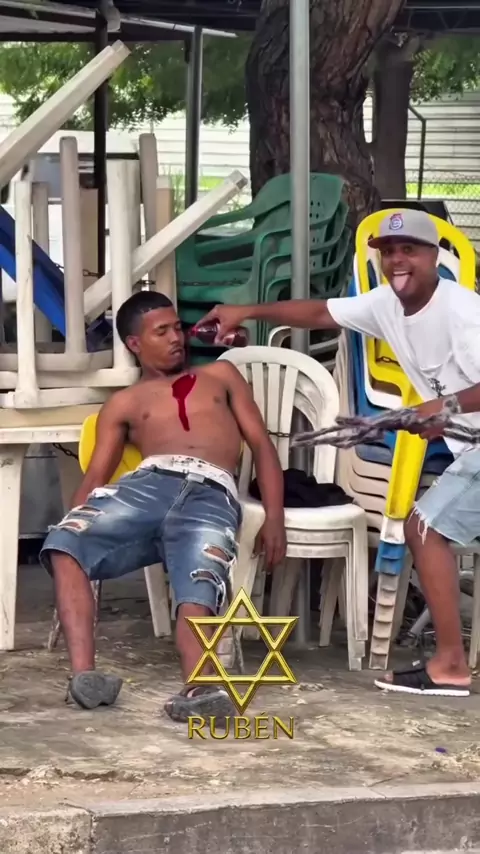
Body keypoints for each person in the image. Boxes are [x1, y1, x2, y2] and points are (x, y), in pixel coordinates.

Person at [197, 208, 480, 698]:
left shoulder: (461, 312)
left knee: (424, 528)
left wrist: (442, 406)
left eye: (409, 250)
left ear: (434, 257)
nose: (397, 260)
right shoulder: (386, 303)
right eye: (388, 252)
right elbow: (319, 313)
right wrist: (246, 312)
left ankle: (450, 665)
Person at [40, 291, 286, 721]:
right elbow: (96, 478)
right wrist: (76, 525)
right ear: (135, 343)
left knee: (200, 578)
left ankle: (198, 689)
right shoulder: (124, 403)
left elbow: (262, 446)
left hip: (211, 492)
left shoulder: (222, 375)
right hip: (147, 486)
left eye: (177, 328)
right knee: (64, 544)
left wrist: (274, 518)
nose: (176, 338)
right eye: (162, 332)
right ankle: (85, 678)